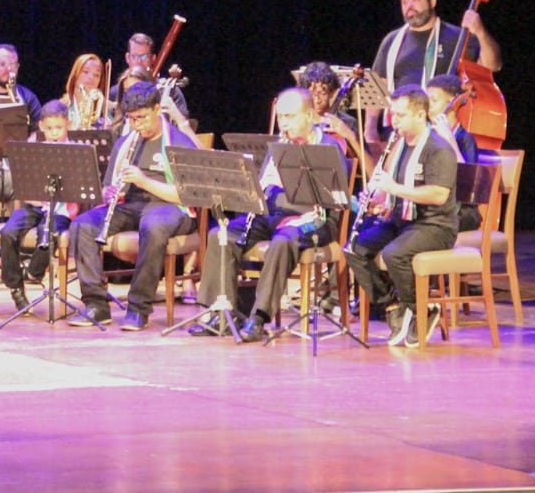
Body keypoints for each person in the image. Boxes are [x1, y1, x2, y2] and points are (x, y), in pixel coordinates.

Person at [188, 88, 345, 342]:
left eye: (290, 117)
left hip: (314, 219)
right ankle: (222, 311)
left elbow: (336, 200)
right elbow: (261, 188)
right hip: (272, 214)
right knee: (221, 236)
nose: (284, 123)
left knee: (283, 242)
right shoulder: (278, 146)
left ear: (308, 116)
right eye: (281, 116)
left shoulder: (329, 147)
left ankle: (258, 317)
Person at [68, 79, 198, 331]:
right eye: (132, 119)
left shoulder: (178, 143)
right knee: (82, 226)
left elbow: (187, 196)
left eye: (142, 118)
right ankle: (96, 304)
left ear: (157, 109)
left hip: (169, 206)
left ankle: (138, 308)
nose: (137, 125)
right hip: (130, 205)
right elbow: (107, 188)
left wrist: (144, 180)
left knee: (153, 225)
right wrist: (108, 192)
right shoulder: (126, 142)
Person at [345, 84, 459, 347]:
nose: (393, 121)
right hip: (402, 220)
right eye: (392, 114)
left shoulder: (438, 149)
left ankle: (423, 310)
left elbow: (438, 195)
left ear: (420, 115)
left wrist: (394, 189)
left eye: (400, 115)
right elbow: (391, 190)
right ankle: (392, 305)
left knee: (393, 254)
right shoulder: (398, 146)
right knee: (353, 248)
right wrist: (377, 200)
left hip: (434, 225)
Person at [367, 0, 500, 151]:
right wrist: (370, 129)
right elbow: (378, 87)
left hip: (438, 131)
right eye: (404, 2)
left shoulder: (457, 37)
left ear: (432, 2)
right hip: (397, 131)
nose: (409, 6)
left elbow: (491, 67)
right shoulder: (391, 40)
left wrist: (480, 31)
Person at [0, 100, 74, 309]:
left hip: (60, 210)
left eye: (59, 128)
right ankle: (15, 287)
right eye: (49, 129)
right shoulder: (33, 146)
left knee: (49, 235)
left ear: (68, 124)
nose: (55, 133)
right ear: (41, 127)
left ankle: (32, 272)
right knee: (7, 233)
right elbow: (23, 183)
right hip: (34, 206)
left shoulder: (76, 152)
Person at [426, 74, 480, 230]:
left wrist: (450, 139)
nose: (428, 105)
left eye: (434, 100)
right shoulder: (427, 135)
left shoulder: (465, 139)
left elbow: (468, 185)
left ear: (451, 102)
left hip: (462, 211)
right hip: (434, 205)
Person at [109, 33, 189, 120]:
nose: (139, 62)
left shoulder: (169, 91)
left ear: (153, 59)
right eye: (134, 56)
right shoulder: (115, 93)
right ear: (127, 58)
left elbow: (184, 125)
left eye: (144, 57)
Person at [0, 43, 43, 125]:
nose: (9, 69)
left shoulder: (29, 99)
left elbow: (38, 131)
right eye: (3, 64)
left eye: (13, 65)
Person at [61, 53, 108, 129]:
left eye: (97, 75)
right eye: (85, 72)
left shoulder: (106, 110)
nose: (91, 77)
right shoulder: (61, 107)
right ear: (75, 74)